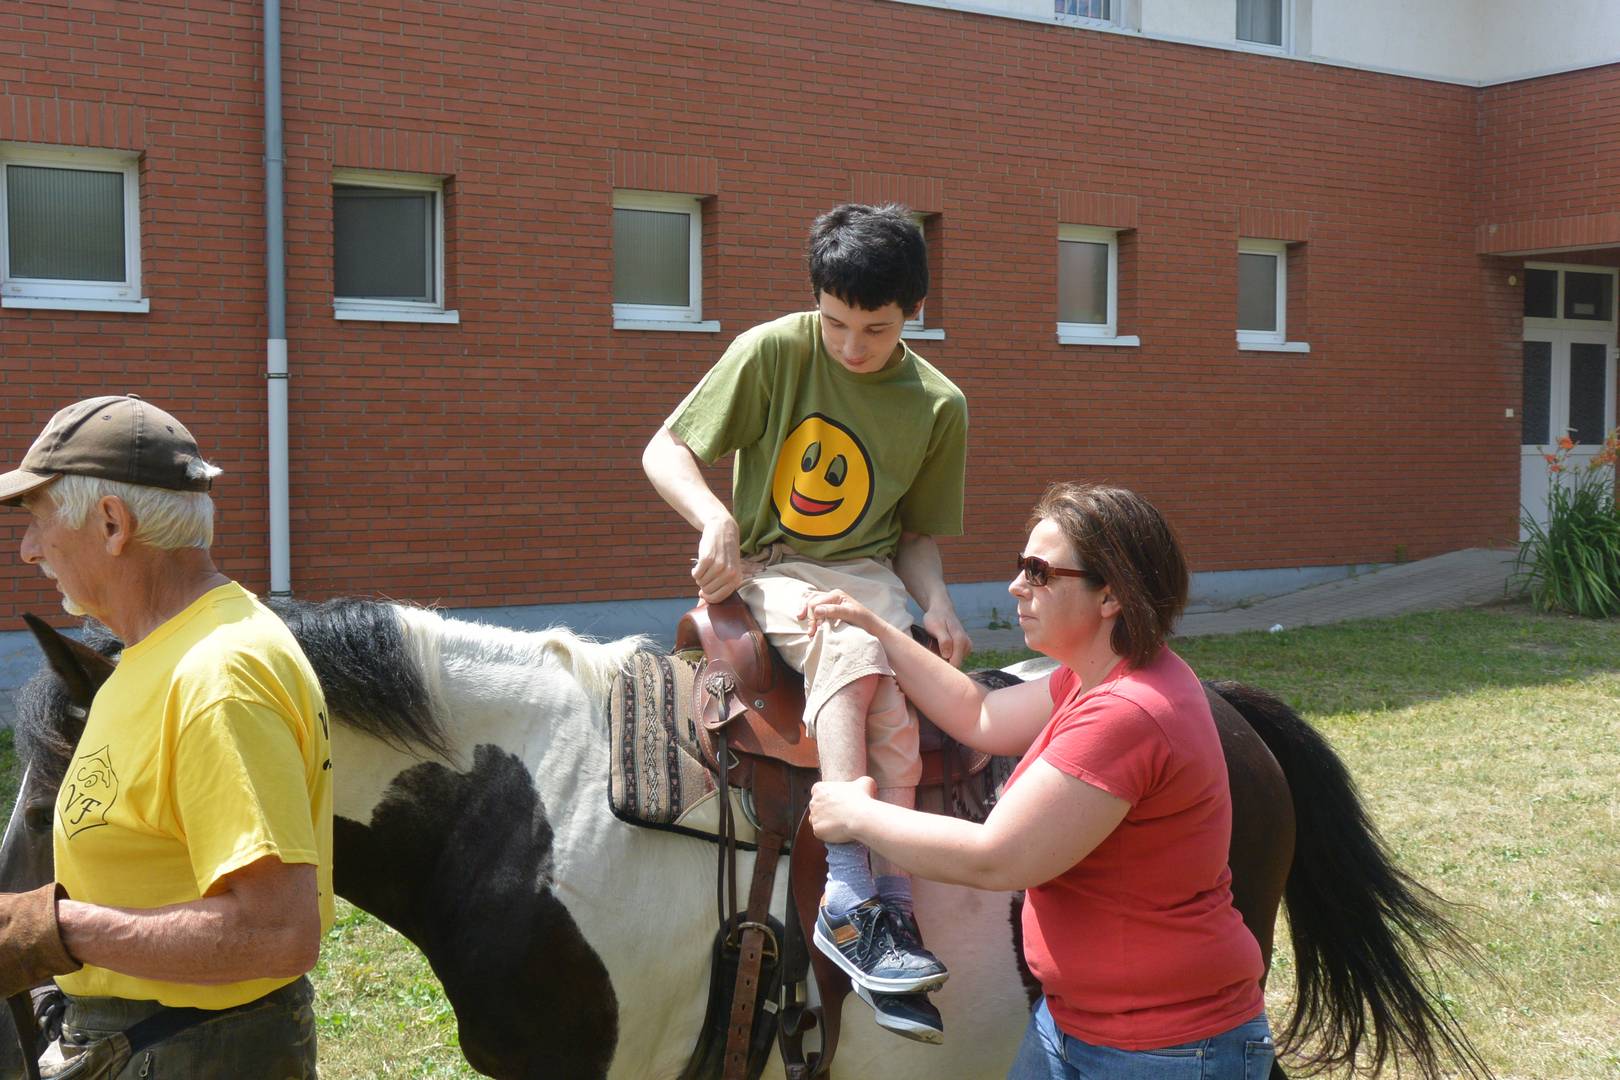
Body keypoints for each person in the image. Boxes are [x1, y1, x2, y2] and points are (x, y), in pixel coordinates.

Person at [805, 483, 1273, 1078]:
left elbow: (996, 858)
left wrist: (854, 814)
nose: (1015, 586)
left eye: (1039, 572)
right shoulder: (1099, 674)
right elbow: (980, 713)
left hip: (1169, 1047)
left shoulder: (1127, 711)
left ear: (1111, 595)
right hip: (1074, 1024)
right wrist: (873, 626)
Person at [642, 203, 970, 1040]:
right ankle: (849, 896)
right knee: (849, 643)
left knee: (899, 713)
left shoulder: (939, 405)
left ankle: (890, 914)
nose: (852, 347)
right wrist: (715, 519)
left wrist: (936, 601)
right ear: (815, 301)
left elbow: (915, 539)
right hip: (775, 568)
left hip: (871, 576)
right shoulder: (772, 349)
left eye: (876, 329)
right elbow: (665, 450)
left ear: (914, 312)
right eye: (835, 323)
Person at [0, 394, 333, 1078]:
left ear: (112, 523)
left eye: (39, 520)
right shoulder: (160, 650)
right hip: (156, 1042)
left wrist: (57, 930)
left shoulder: (217, 676)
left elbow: (277, 933)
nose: (29, 549)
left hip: (194, 1050)